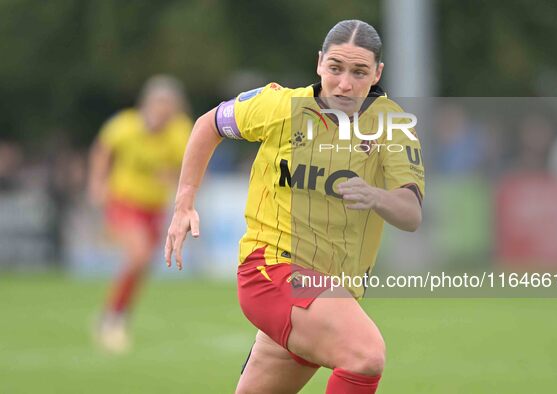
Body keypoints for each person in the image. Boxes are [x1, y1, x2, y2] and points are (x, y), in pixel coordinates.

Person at [165, 20, 424, 393]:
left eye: (359, 72)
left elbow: (411, 214)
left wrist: (376, 196)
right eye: (335, 68)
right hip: (272, 270)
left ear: (377, 73)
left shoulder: (392, 124)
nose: (345, 83)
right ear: (319, 63)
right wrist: (184, 201)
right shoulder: (280, 105)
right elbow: (210, 124)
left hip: (331, 291)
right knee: (365, 356)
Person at [88, 75, 192, 353]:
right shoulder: (125, 125)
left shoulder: (180, 132)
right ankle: (112, 318)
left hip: (154, 208)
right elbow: (103, 150)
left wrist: (172, 179)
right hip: (123, 200)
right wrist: (97, 183)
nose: (163, 111)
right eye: (159, 104)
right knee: (139, 254)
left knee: (143, 265)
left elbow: (188, 167)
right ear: (147, 103)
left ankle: (116, 315)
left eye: (169, 105)